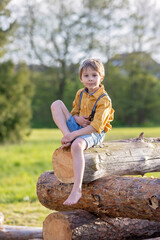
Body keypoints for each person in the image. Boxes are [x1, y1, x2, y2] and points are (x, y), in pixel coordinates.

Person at [51, 58, 114, 206]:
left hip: (94, 132)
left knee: (77, 145)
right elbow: (73, 113)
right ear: (81, 78)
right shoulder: (80, 94)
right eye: (86, 76)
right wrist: (77, 119)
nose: (90, 79)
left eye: (94, 75)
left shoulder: (104, 100)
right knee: (57, 104)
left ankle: (76, 189)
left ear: (101, 77)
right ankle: (67, 136)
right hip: (78, 128)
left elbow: (96, 127)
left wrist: (74, 135)